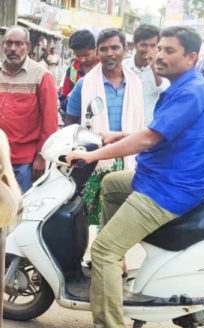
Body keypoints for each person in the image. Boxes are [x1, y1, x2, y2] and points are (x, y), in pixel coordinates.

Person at [66, 26, 204, 328]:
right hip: (156, 176)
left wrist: (94, 153)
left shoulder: (191, 92)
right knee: (110, 183)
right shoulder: (180, 87)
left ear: (191, 57)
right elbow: (155, 129)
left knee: (102, 250)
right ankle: (118, 264)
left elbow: (148, 138)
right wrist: (116, 136)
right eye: (159, 49)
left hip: (167, 189)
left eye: (169, 51)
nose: (158, 55)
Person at [66, 28, 145, 225]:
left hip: (128, 160)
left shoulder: (136, 83)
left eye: (115, 47)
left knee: (121, 220)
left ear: (125, 50)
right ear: (98, 52)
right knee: (84, 218)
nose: (110, 53)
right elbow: (70, 123)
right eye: (104, 49)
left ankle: (113, 256)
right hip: (95, 162)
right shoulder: (84, 85)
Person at [0, 26, 58, 193]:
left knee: (22, 210)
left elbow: (50, 123)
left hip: (25, 161)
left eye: (18, 44)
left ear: (27, 46)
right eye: (9, 43)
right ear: (3, 45)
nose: (13, 48)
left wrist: (42, 157)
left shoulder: (41, 75)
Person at [122, 24, 170, 125]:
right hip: (125, 125)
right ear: (135, 44)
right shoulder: (123, 66)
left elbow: (166, 94)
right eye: (144, 45)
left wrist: (154, 68)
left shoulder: (164, 69)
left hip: (149, 127)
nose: (148, 49)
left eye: (153, 46)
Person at [60, 30, 99, 116]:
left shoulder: (104, 69)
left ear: (96, 50)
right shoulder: (72, 71)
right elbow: (63, 99)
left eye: (86, 55)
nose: (82, 60)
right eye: (78, 55)